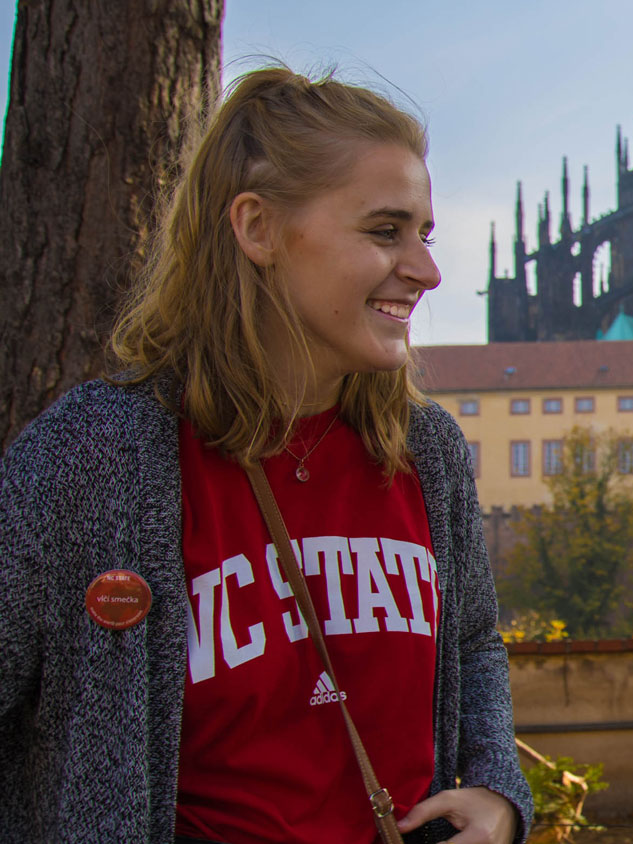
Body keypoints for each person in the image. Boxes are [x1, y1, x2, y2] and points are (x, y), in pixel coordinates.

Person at [0, 68, 532, 843]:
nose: (426, 270)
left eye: (424, 234)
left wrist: (496, 789)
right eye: (385, 231)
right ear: (256, 229)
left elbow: (474, 641)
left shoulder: (426, 451)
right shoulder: (99, 457)